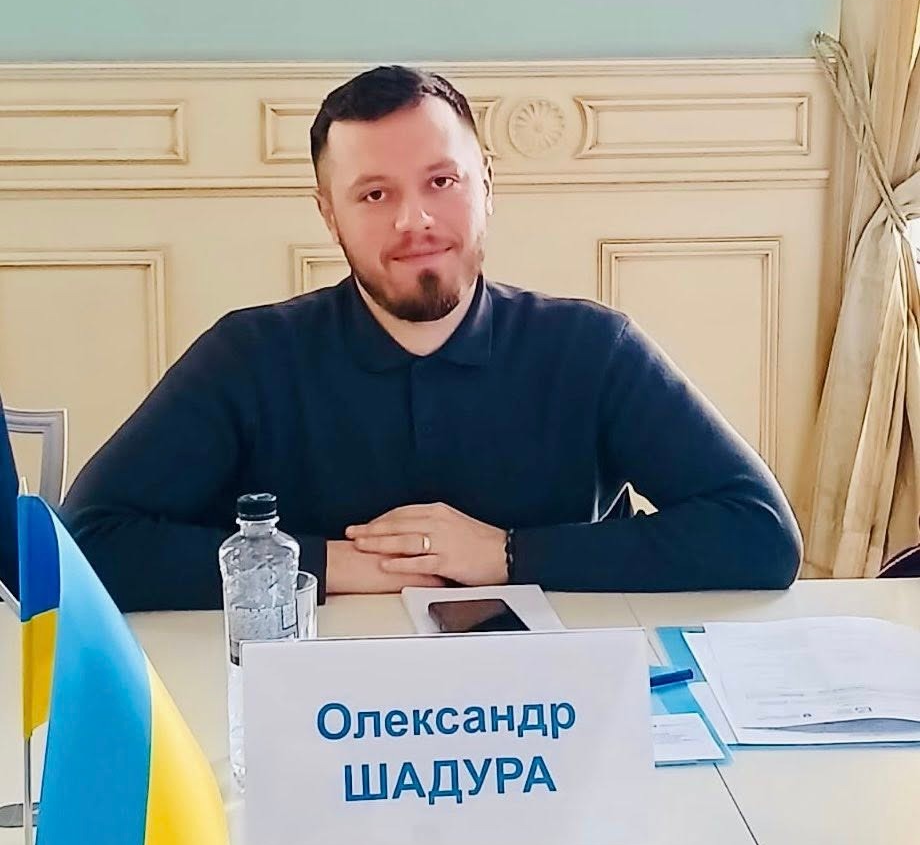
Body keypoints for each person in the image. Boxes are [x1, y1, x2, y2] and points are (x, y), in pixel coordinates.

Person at [63, 65, 802, 611]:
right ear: (329, 215)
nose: (413, 221)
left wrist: (507, 554)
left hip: (551, 711)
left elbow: (760, 535)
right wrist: (339, 565)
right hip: (315, 710)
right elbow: (85, 541)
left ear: (487, 186)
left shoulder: (592, 348)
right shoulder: (249, 357)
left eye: (442, 182)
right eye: (374, 194)